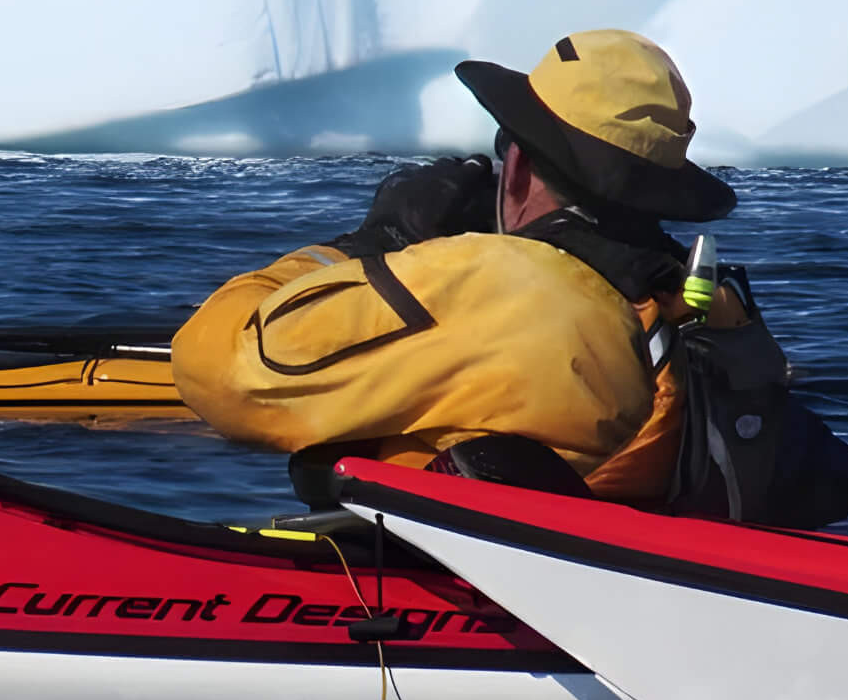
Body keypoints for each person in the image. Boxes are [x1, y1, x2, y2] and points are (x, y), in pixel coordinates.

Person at [171, 29, 746, 504]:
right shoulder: (697, 299)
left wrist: (366, 248)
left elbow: (222, 367)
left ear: (517, 166)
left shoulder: (488, 280)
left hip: (452, 603)